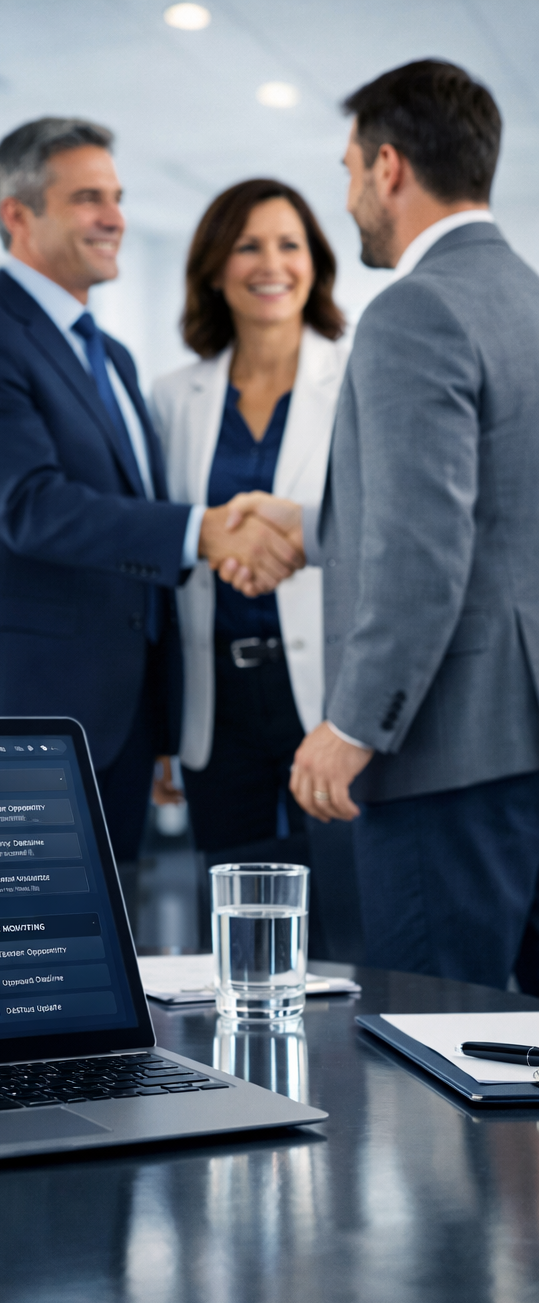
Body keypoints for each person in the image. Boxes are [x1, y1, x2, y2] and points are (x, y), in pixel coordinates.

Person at [0, 118, 302, 862]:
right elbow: (30, 507)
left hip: (115, 728)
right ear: (17, 214)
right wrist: (205, 531)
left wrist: (161, 725)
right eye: (88, 198)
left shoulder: (112, 358)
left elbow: (132, 564)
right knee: (15, 952)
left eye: (117, 197)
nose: (115, 218)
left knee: (102, 952)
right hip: (16, 718)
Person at [281, 59, 539, 987]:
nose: (347, 196)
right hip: (524, 738)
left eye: (349, 170)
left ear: (390, 167)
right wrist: (309, 526)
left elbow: (423, 549)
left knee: (438, 1056)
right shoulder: (527, 299)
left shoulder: (414, 311)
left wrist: (353, 723)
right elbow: (504, 516)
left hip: (445, 753)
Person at [149, 180, 349, 860]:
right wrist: (162, 727)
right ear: (213, 268)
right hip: (216, 701)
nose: (272, 265)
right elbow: (161, 561)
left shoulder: (356, 379)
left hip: (327, 695)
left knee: (339, 913)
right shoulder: (175, 398)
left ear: (315, 262)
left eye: (290, 245)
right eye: (247, 246)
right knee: (234, 908)